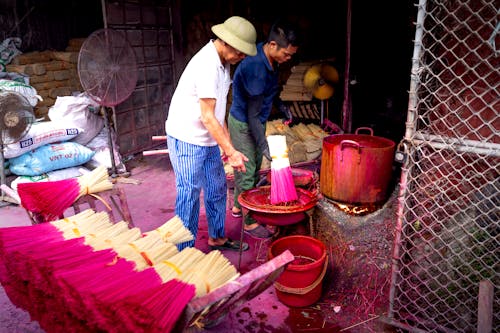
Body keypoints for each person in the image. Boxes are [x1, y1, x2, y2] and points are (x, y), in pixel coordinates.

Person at [165, 16, 257, 251]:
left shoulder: (224, 63)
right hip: (187, 138)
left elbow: (218, 114)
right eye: (241, 51)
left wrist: (229, 147)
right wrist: (230, 151)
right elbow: (207, 116)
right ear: (226, 42)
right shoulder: (206, 64)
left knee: (216, 188)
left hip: (207, 137)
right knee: (189, 194)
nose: (243, 57)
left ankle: (217, 237)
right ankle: (183, 252)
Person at [228, 19, 299, 239]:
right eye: (286, 55)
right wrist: (263, 144)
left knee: (252, 166)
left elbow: (270, 91)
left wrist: (282, 106)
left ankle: (238, 207)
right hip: (243, 122)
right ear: (272, 45)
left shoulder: (269, 57)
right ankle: (249, 223)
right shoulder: (256, 68)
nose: (288, 59)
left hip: (256, 118)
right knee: (248, 171)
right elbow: (251, 115)